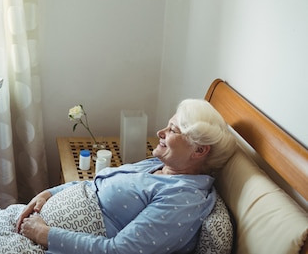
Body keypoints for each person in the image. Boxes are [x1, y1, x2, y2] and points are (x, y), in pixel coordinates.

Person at [15, 98, 237, 254]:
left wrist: (45, 235)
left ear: (199, 151)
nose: (160, 133)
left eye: (173, 130)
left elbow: (119, 250)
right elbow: (96, 184)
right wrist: (49, 193)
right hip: (37, 227)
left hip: (49, 243)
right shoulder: (159, 164)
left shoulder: (183, 199)